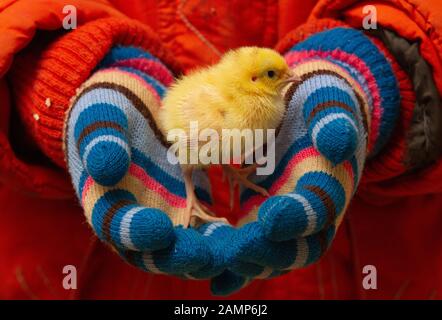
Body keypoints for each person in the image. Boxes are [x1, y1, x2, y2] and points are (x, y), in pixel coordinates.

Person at [0, 0, 441, 299]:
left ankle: (225, 179)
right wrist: (53, 73)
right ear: (252, 81)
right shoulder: (231, 99)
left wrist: (379, 66)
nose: (285, 81)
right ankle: (193, 194)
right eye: (274, 77)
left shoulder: (255, 95)